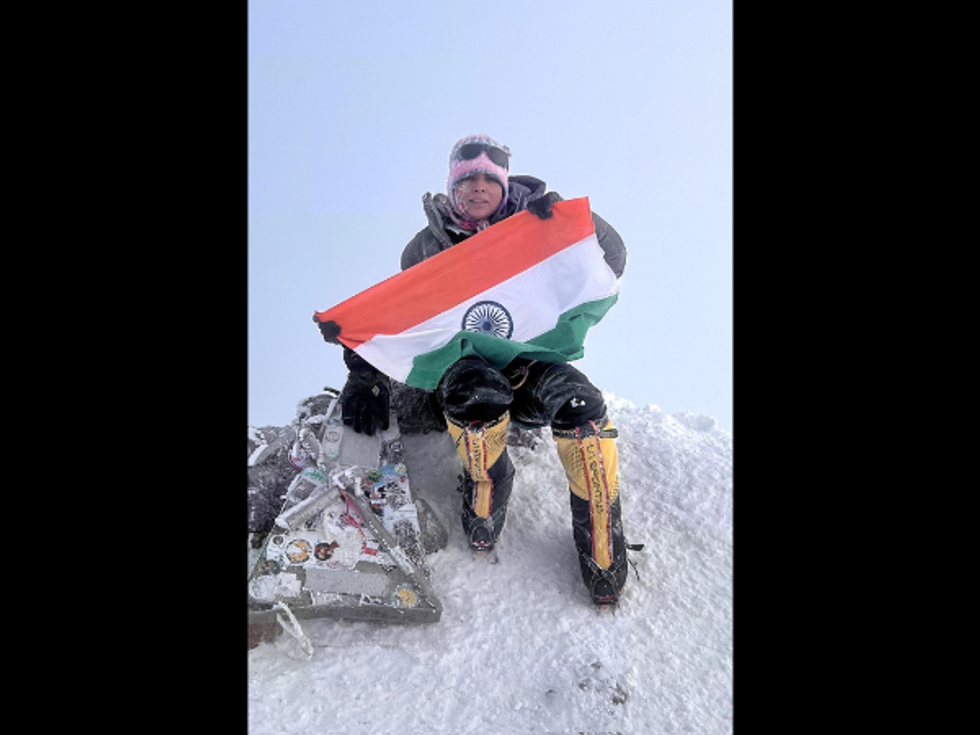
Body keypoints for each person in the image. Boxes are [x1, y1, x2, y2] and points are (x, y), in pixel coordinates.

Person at [318, 134, 632, 606]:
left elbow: (612, 259)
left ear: (504, 185)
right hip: (464, 373)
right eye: (468, 180)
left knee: (581, 406)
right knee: (476, 391)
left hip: (532, 367)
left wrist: (575, 221)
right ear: (453, 187)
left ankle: (602, 544)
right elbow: (402, 318)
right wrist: (362, 367)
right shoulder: (425, 248)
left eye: (489, 178)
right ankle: (484, 497)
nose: (479, 187)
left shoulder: (538, 224)